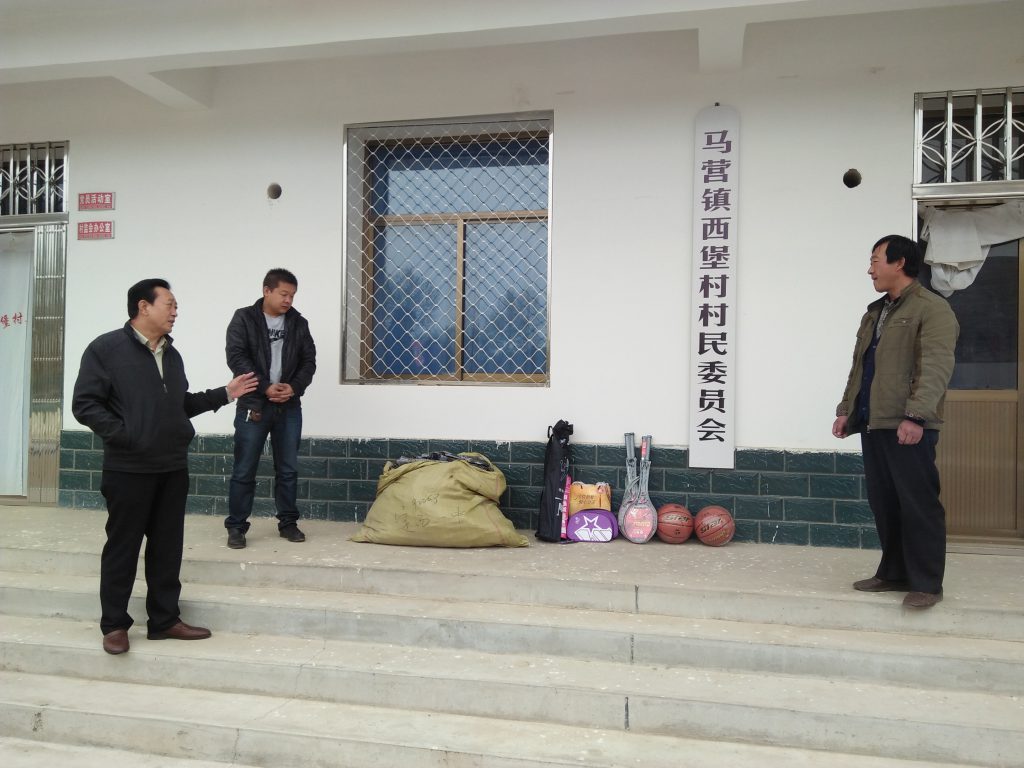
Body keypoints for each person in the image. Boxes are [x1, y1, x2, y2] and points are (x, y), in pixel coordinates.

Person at [72, 279, 258, 655]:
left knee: (167, 548)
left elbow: (179, 405)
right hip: (128, 468)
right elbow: (85, 404)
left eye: (175, 306)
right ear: (144, 306)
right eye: (169, 304)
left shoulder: (171, 355)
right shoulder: (105, 349)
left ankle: (164, 619)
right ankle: (114, 624)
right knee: (123, 547)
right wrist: (127, 436)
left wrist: (225, 394)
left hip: (172, 466)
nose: (175, 311)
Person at [832, 235, 959, 609]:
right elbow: (861, 366)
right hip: (875, 421)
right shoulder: (875, 312)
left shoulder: (932, 309)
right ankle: (894, 572)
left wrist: (916, 415)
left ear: (899, 262)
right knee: (885, 502)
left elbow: (935, 367)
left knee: (918, 503)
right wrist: (847, 409)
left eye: (875, 260)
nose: (870, 269)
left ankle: (927, 583)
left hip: (908, 424)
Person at [224, 268, 316, 548]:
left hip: (288, 406)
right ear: (267, 290)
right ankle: (236, 527)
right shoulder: (244, 318)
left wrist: (293, 387)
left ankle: (288, 523)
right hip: (253, 404)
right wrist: (264, 386)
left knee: (288, 469)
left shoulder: (298, 323)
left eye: (292, 295)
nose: (288, 300)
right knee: (244, 468)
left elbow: (309, 362)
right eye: (284, 294)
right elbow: (236, 356)